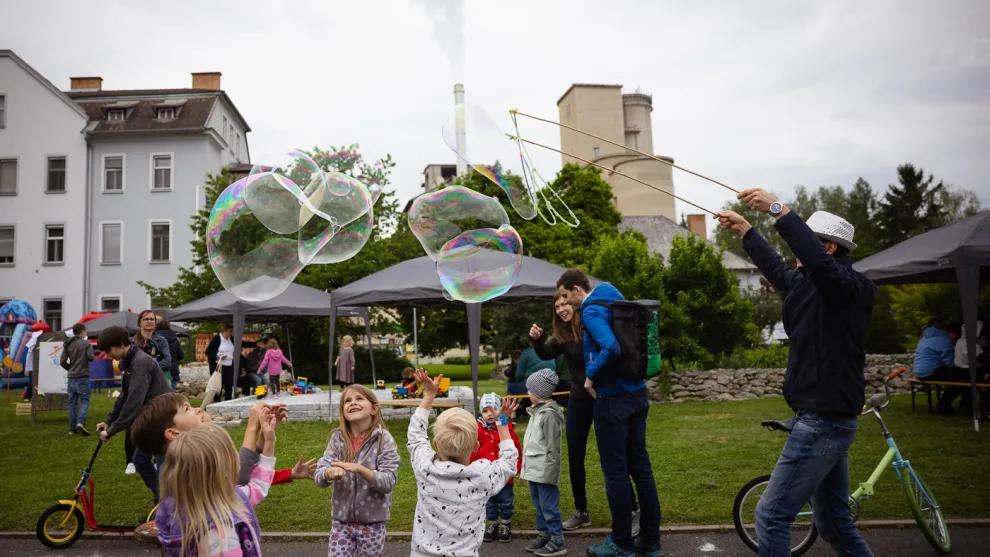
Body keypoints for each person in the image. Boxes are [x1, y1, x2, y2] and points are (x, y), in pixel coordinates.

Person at [718, 189, 876, 557]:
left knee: (771, 516)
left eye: (809, 247)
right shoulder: (807, 285)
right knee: (834, 523)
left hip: (823, 422)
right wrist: (745, 228)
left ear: (830, 249)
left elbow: (818, 265)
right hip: (822, 419)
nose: (796, 256)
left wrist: (778, 209)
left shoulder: (850, 288)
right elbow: (775, 268)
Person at [557, 269, 663, 557]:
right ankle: (651, 541)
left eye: (566, 295)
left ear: (577, 289)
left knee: (615, 472)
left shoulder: (590, 310)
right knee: (641, 469)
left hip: (613, 399)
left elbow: (611, 347)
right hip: (638, 393)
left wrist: (590, 375)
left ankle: (620, 543)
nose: (564, 302)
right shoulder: (612, 294)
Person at [531, 294, 641, 533]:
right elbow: (545, 353)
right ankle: (581, 511)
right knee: (575, 456)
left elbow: (611, 350)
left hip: (602, 396)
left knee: (612, 455)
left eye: (565, 304)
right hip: (579, 399)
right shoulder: (562, 336)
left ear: (575, 304)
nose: (561, 309)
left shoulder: (589, 327)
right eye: (557, 306)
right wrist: (537, 340)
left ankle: (632, 510)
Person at [407, 369, 519, 557]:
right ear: (476, 446)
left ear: (435, 444)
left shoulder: (425, 467)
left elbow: (415, 435)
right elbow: (509, 462)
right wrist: (501, 421)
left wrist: (430, 394)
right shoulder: (483, 475)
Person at [130, 393, 315, 488]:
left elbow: (244, 472)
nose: (196, 409)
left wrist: (263, 435)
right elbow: (240, 477)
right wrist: (252, 428)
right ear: (173, 433)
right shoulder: (192, 464)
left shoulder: (186, 461)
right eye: (186, 409)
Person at [156, 420, 277, 557]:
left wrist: (269, 443)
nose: (238, 454)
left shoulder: (180, 506)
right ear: (222, 469)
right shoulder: (222, 537)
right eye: (233, 452)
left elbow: (257, 488)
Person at [315, 385, 400, 557]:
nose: (353, 403)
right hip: (341, 523)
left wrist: (361, 470)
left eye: (359, 398)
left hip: (373, 524)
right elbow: (319, 475)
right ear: (343, 411)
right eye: (347, 401)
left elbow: (388, 482)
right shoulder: (338, 439)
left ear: (374, 408)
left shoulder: (383, 440)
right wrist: (328, 473)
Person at [95, 325, 172, 505]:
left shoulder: (140, 362)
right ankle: (162, 502)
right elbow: (124, 395)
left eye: (108, 351)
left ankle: (163, 511)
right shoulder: (129, 362)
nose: (107, 355)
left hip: (165, 418)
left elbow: (133, 403)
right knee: (139, 460)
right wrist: (108, 421)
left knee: (163, 469)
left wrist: (112, 431)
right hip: (153, 418)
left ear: (121, 344)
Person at [520, 369, 566, 556]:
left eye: (529, 389)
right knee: (538, 505)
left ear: (538, 392)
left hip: (545, 471)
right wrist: (525, 470)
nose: (528, 392)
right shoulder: (536, 413)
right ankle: (544, 534)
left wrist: (550, 472)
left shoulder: (548, 415)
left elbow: (552, 447)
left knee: (548, 505)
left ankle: (557, 540)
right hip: (534, 470)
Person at [471, 393, 523, 543]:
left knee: (506, 499)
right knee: (489, 501)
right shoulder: (477, 430)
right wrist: (471, 468)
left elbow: (516, 449)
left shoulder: (507, 429)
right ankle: (492, 523)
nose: (490, 414)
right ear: (481, 413)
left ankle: (505, 524)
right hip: (485, 474)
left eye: (494, 409)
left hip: (504, 474)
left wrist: (518, 468)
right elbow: (473, 450)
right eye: (486, 411)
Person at [912, 318, 959, 415]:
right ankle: (944, 405)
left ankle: (944, 405)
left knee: (954, 378)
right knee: (961, 379)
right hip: (931, 372)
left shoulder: (924, 339)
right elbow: (950, 362)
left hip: (919, 372)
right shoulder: (944, 340)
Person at [61, 322, 95, 436]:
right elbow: (91, 358)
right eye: (85, 331)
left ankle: (71, 429)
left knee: (72, 403)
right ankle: (81, 422)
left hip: (71, 377)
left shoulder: (67, 344)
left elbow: (62, 361)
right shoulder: (86, 343)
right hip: (83, 376)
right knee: (85, 400)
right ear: (82, 332)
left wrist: (70, 369)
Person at [204, 323, 236, 401]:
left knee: (229, 384)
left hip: (229, 365)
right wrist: (217, 357)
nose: (231, 333)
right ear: (224, 331)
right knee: (218, 384)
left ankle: (228, 401)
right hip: (218, 365)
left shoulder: (231, 339)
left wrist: (255, 343)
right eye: (230, 331)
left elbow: (241, 344)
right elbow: (208, 352)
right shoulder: (217, 339)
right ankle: (217, 402)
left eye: (232, 331)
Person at [155, 318, 184, 390]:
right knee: (171, 394)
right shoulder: (175, 339)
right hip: (172, 370)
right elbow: (181, 355)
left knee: (157, 395)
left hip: (158, 369)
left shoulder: (153, 339)